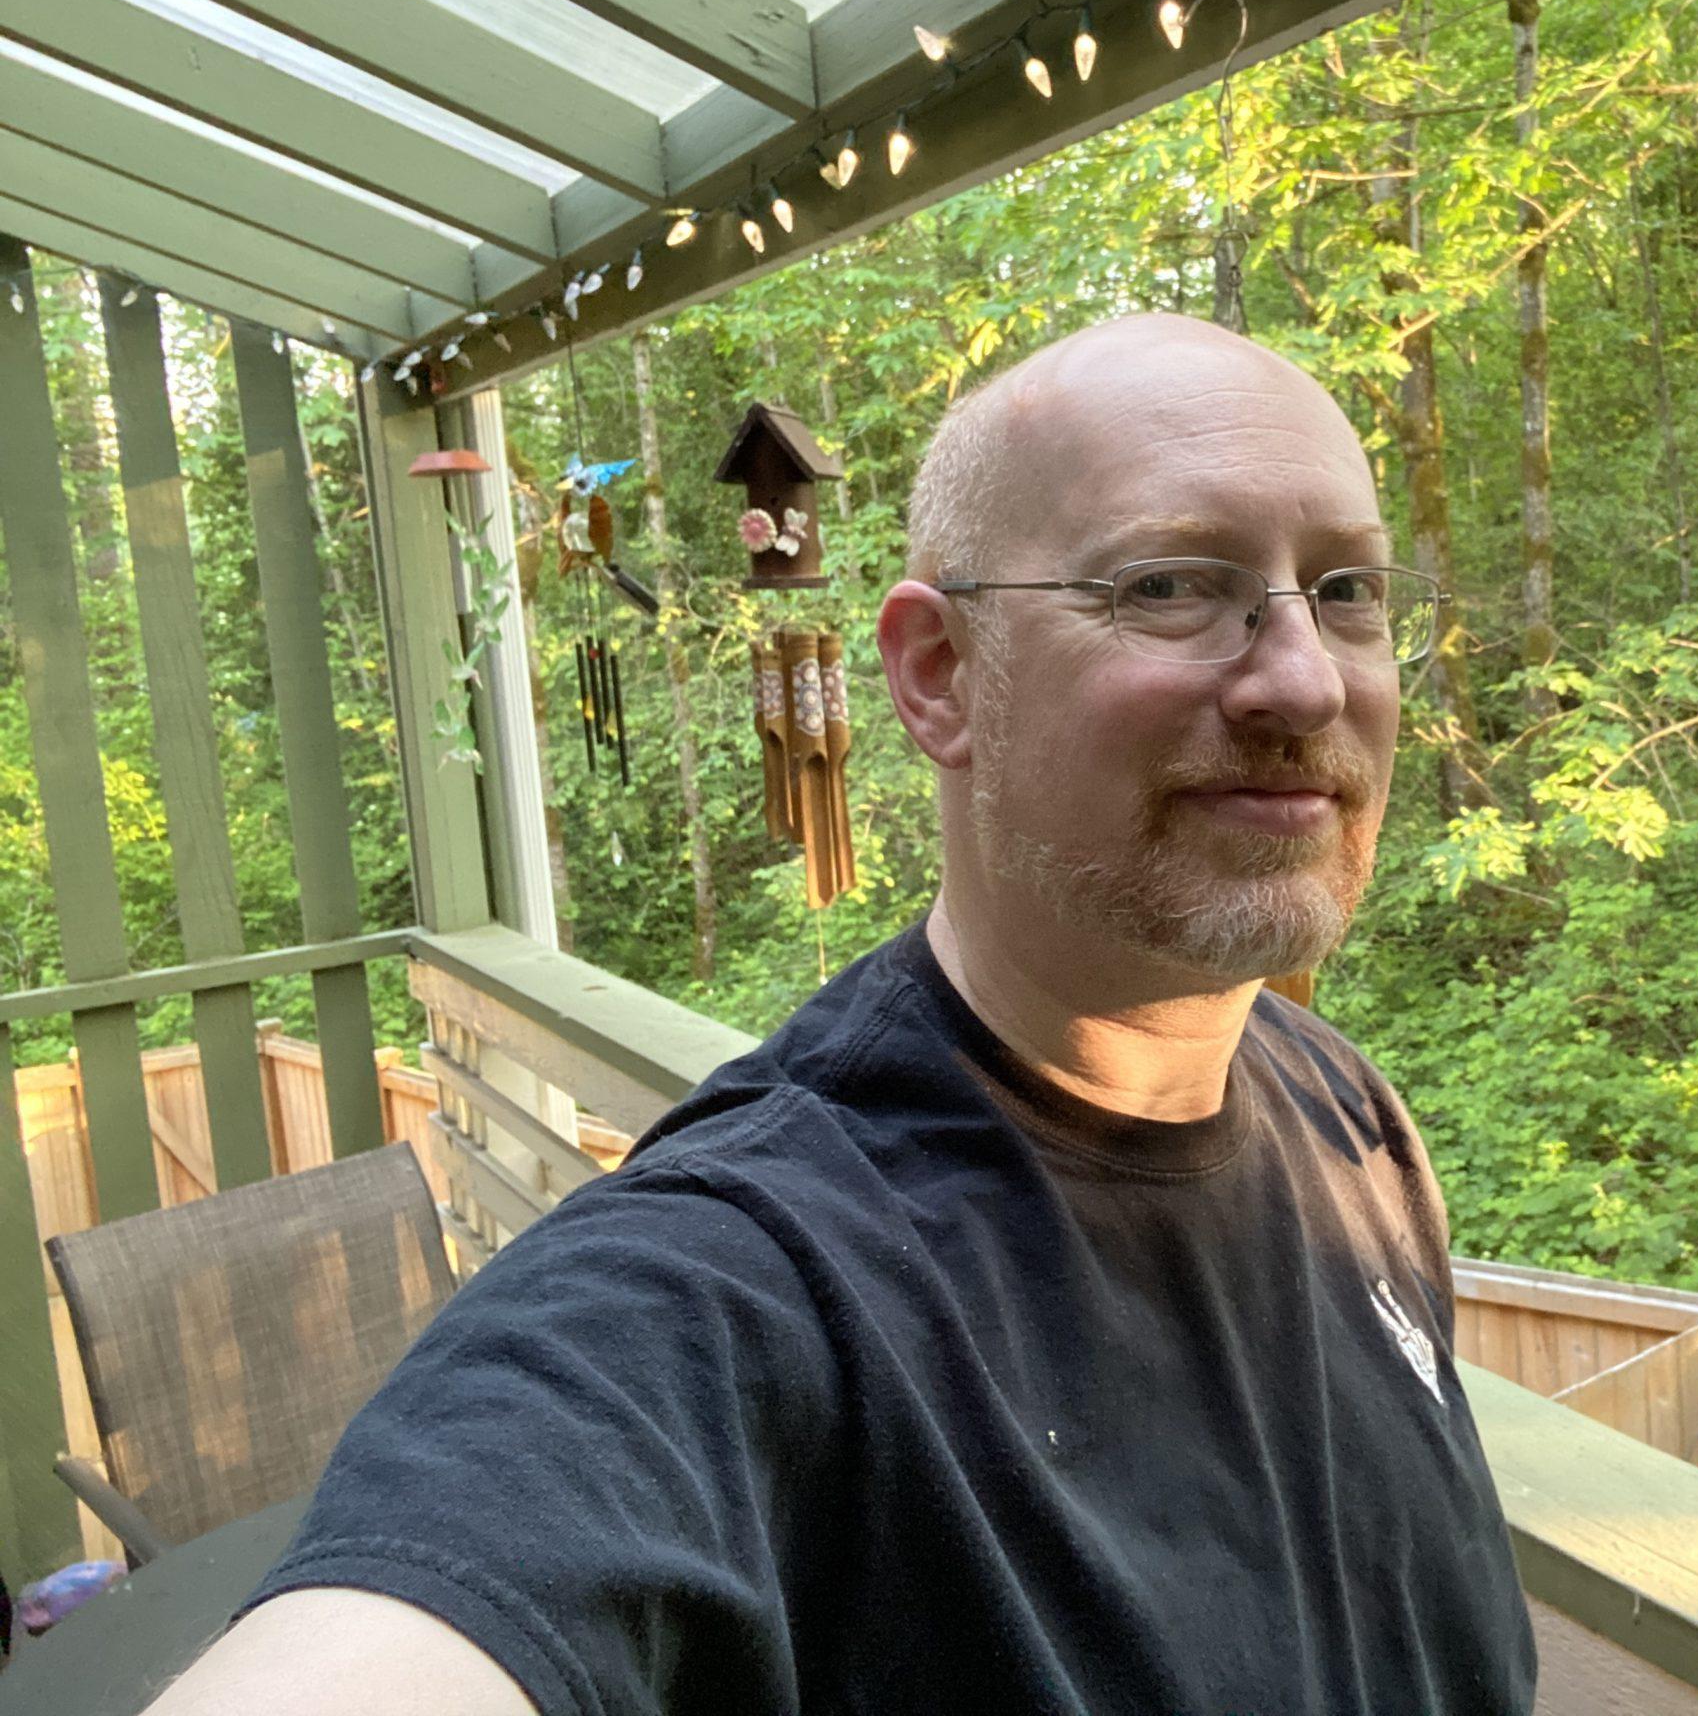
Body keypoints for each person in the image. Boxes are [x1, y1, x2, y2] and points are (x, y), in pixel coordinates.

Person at [143, 314, 1537, 1715]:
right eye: (1171, 583)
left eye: (1346, 587)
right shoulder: (741, 1284)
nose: (1305, 679)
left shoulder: (1348, 1125)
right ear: (940, 675)